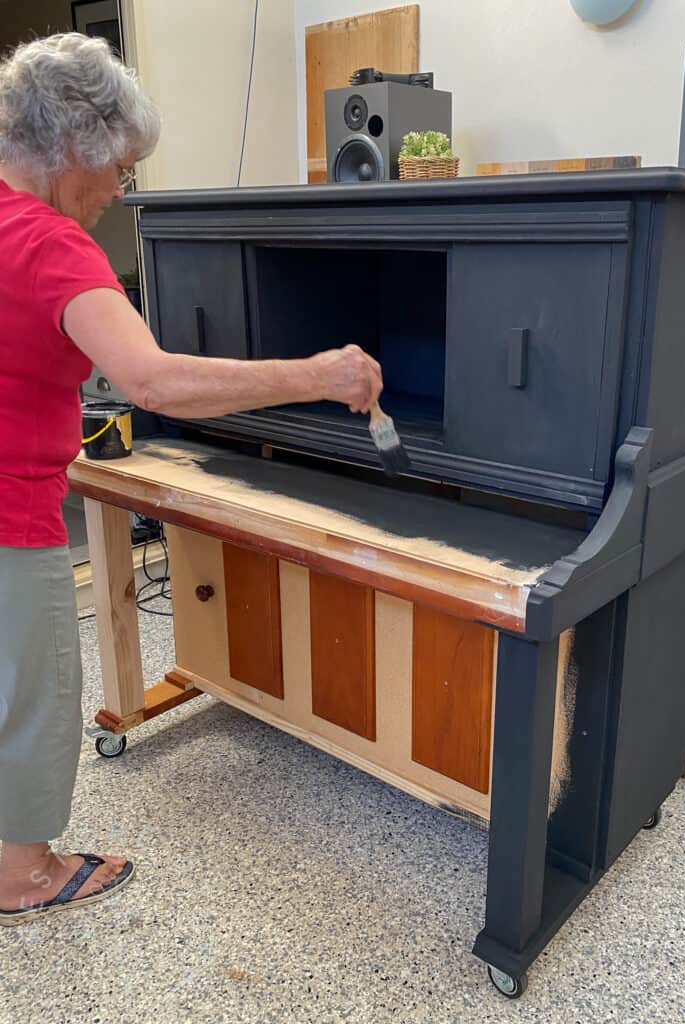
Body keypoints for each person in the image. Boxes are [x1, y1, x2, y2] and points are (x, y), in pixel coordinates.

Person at [0, 33, 382, 925]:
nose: (120, 192)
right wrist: (319, 373)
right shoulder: (53, 246)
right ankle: (22, 874)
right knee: (37, 689)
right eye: (122, 168)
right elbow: (155, 383)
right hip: (10, 511)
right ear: (73, 151)